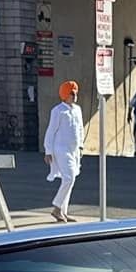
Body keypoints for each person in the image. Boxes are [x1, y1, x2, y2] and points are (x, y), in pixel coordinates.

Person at [44, 80, 83, 223]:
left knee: (70, 180)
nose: (74, 96)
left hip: (74, 150)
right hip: (60, 150)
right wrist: (48, 151)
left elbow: (80, 129)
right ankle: (56, 207)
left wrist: (81, 146)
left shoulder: (77, 109)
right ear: (65, 95)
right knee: (69, 177)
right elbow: (50, 132)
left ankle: (63, 213)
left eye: (76, 93)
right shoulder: (57, 111)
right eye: (72, 93)